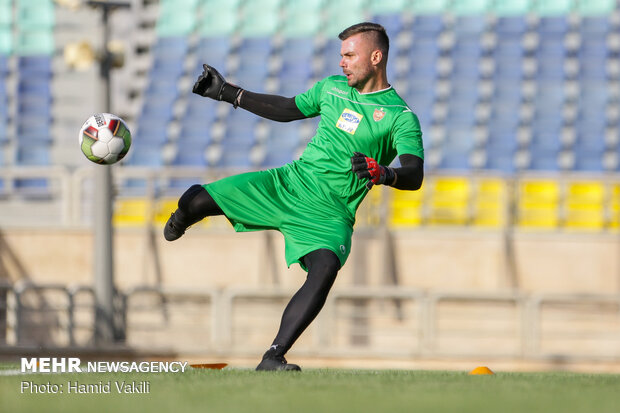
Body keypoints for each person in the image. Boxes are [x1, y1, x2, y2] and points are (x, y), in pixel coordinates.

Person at [164, 22, 424, 371]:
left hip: (330, 214)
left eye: (350, 55)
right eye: (341, 55)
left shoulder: (399, 117)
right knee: (195, 201)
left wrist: (387, 174)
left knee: (325, 268)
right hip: (287, 184)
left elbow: (414, 174)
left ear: (376, 57)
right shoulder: (331, 89)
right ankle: (184, 216)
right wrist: (227, 92)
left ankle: (273, 356)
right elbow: (287, 109)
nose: (342, 62)